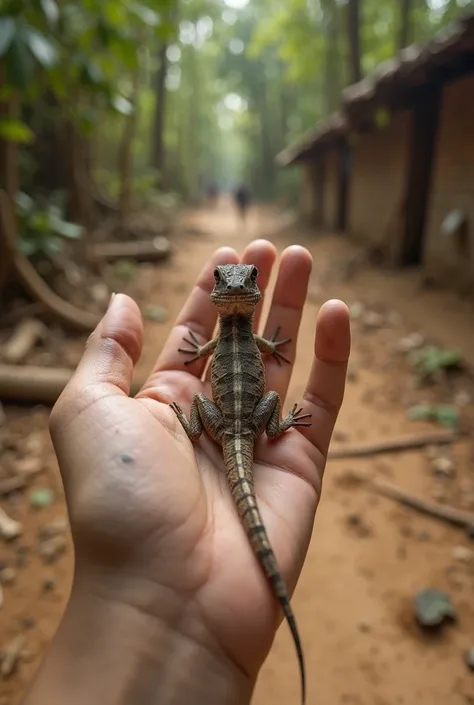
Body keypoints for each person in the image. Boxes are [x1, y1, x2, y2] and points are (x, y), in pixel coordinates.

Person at [21, 239, 350, 705]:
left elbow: (222, 343)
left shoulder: (229, 336)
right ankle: (257, 423)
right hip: (253, 423)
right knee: (267, 407)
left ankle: (194, 424)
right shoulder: (239, 334)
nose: (236, 286)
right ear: (219, 293)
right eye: (226, 281)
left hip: (221, 427)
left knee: (205, 404)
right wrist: (268, 374)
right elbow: (236, 341)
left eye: (247, 282)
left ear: (252, 294)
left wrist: (233, 364)